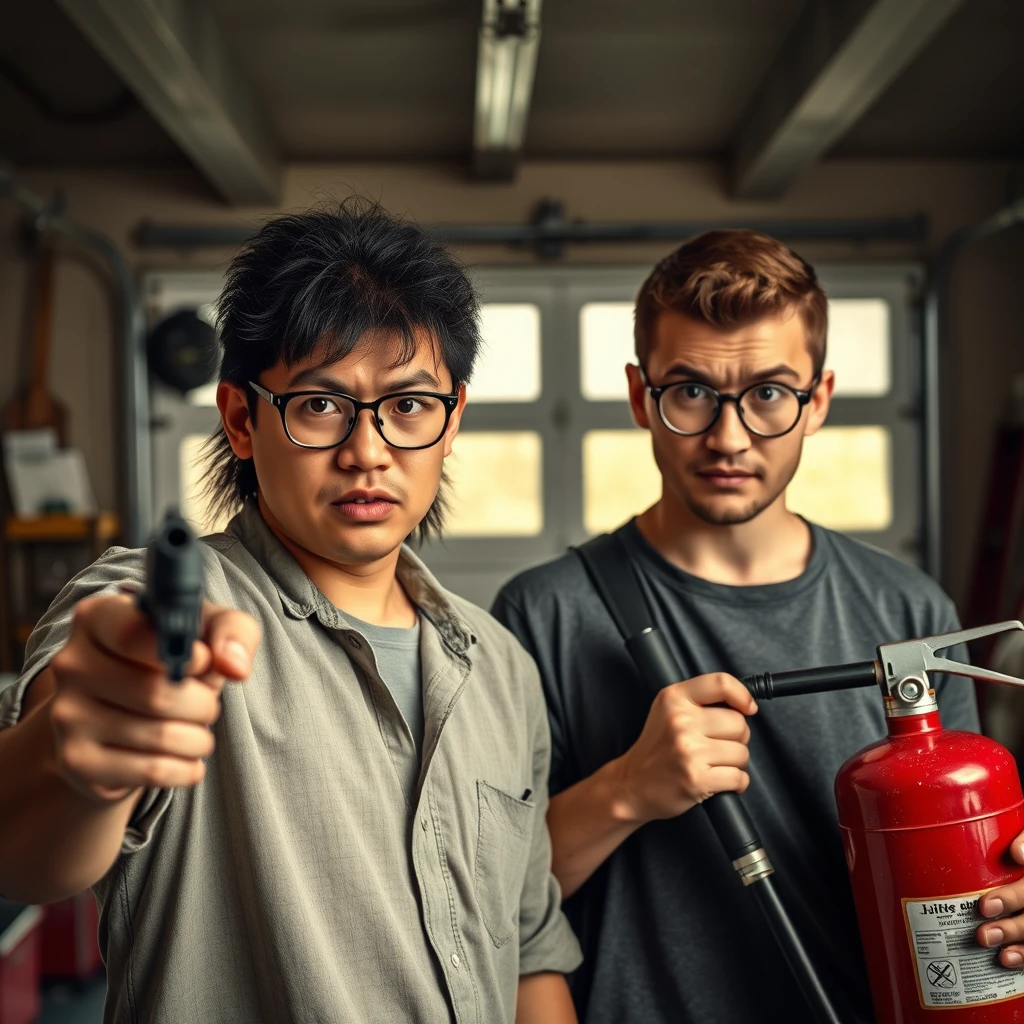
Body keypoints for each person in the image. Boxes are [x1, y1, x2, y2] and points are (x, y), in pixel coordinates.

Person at [0, 201, 581, 1024]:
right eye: (320, 405)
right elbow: (24, 850)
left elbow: (527, 956)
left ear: (452, 422)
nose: (368, 451)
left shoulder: (500, 667)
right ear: (242, 420)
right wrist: (81, 757)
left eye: (409, 407)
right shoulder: (153, 608)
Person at [491, 230, 1024, 1023]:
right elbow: (480, 900)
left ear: (820, 400)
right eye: (691, 392)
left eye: (770, 393)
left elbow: (962, 885)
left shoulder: (909, 610)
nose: (730, 436)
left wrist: (1005, 899)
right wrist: (626, 790)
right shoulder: (546, 614)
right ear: (641, 397)